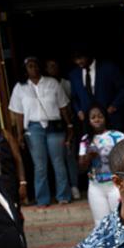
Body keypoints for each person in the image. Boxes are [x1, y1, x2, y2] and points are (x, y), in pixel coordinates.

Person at [8, 57, 73, 207]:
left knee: (58, 162)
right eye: (30, 66)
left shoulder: (52, 82)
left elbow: (63, 106)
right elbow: (18, 113)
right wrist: (19, 134)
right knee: (40, 165)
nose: (34, 69)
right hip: (33, 127)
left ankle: (63, 196)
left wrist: (69, 125)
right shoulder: (20, 87)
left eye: (36, 65)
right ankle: (42, 199)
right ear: (25, 70)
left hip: (54, 125)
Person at [78, 106, 124, 225]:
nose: (97, 120)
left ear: (105, 118)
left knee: (121, 221)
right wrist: (89, 156)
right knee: (101, 224)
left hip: (116, 185)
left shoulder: (118, 136)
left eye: (100, 116)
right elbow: (81, 167)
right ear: (88, 120)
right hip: (95, 187)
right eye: (93, 117)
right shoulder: (85, 140)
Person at [68, 51, 124, 132]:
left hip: (111, 120)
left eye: (80, 58)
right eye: (75, 59)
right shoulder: (74, 74)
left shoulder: (108, 68)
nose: (78, 62)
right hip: (88, 124)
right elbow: (74, 97)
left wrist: (114, 106)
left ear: (89, 55)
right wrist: (79, 111)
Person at [46, 58, 81, 201]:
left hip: (68, 123)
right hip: (53, 125)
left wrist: (71, 124)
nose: (53, 68)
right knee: (57, 159)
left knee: (70, 156)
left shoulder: (67, 83)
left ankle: (74, 186)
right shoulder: (46, 85)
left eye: (55, 65)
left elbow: (73, 101)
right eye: (50, 66)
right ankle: (63, 190)